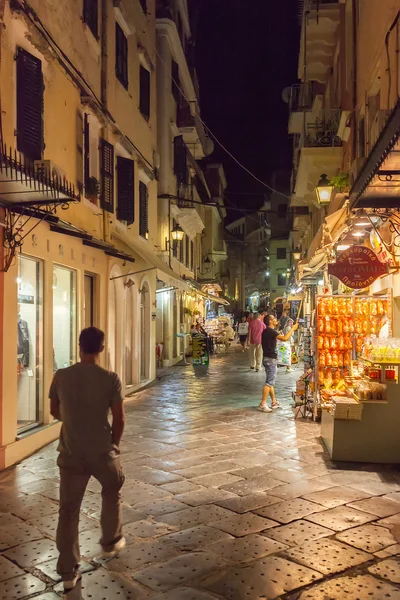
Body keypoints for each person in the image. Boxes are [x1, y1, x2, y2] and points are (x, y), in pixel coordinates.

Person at [49, 327, 126, 594]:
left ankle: (68, 571)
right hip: (102, 450)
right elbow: (119, 418)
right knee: (112, 488)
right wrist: (114, 443)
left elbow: (54, 410)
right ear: (102, 348)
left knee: (68, 512)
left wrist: (74, 421)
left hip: (71, 452)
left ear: (79, 345)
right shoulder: (111, 379)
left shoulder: (61, 376)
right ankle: (110, 540)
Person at [259, 314, 298, 412]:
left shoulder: (266, 331)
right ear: (270, 321)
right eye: (274, 318)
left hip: (267, 358)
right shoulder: (270, 331)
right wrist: (292, 329)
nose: (276, 320)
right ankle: (263, 403)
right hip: (271, 359)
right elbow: (285, 338)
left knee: (270, 381)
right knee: (269, 382)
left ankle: (274, 401)